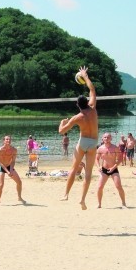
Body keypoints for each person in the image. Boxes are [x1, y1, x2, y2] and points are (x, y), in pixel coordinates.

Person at [58, 66, 98, 210]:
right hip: (93, 143)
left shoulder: (77, 117)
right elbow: (92, 90)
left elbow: (62, 131)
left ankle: (66, 194)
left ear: (77, 105)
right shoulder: (93, 108)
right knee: (88, 174)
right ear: (87, 102)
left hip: (83, 142)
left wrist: (61, 123)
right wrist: (85, 76)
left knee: (74, 169)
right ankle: (82, 200)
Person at [96, 132, 127, 209]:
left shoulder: (115, 148)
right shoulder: (100, 148)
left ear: (111, 138)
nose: (106, 139)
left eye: (108, 137)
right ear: (102, 139)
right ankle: (99, 204)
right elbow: (96, 159)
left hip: (113, 169)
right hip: (104, 169)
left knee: (118, 186)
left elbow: (120, 158)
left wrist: (114, 167)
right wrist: (98, 166)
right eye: (105, 137)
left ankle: (123, 203)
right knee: (99, 187)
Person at [0, 135, 25, 203]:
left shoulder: (14, 150)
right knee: (1, 185)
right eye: (7, 139)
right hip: (1, 166)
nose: (8, 141)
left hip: (9, 166)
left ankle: (19, 197)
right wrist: (7, 171)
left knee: (19, 182)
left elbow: (13, 161)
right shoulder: (0, 150)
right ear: (4, 141)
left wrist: (11, 169)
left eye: (9, 139)